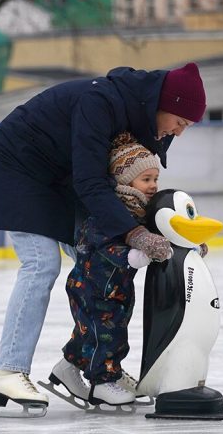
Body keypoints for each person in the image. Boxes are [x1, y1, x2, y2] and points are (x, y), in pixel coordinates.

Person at [0, 63, 206, 415]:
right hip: (17, 168)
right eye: (181, 122)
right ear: (164, 102)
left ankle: (78, 366)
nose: (180, 131)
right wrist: (135, 233)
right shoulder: (102, 102)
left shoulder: (149, 125)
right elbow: (91, 184)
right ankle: (9, 372)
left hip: (61, 179)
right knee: (41, 263)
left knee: (104, 266)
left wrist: (175, 235)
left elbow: (134, 194)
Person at [48, 132, 162, 408]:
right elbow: (97, 243)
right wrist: (130, 256)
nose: (152, 186)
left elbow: (160, 231)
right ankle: (102, 380)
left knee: (92, 332)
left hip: (115, 289)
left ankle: (67, 367)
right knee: (106, 334)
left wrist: (187, 243)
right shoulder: (107, 210)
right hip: (91, 286)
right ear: (125, 181)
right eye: (146, 179)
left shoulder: (140, 211)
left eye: (155, 179)